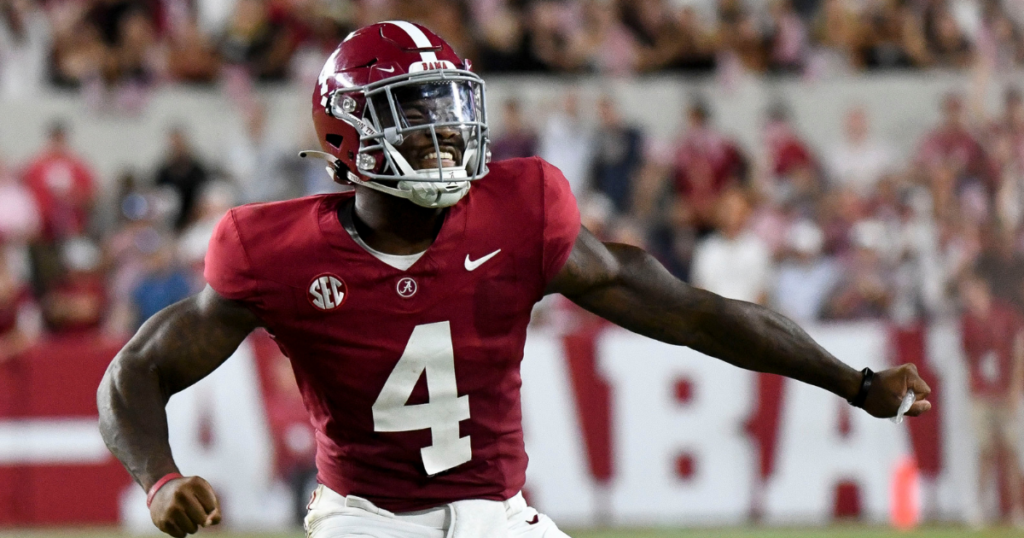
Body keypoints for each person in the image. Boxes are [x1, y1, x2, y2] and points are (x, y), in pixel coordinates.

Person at [97, 21, 932, 538]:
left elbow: (694, 314)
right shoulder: (273, 250)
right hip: (366, 522)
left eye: (448, 110)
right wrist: (161, 479)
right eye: (414, 118)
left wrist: (853, 382)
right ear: (347, 137)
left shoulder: (521, 210)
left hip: (501, 516)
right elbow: (136, 371)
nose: (444, 137)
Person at [959, 272, 1024, 526]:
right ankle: (980, 505)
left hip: (1003, 390)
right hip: (982, 392)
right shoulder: (968, 322)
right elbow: (968, 357)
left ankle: (1017, 507)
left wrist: (1014, 388)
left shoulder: (1005, 315)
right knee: (984, 449)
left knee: (1010, 450)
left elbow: (1018, 351)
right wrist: (972, 386)